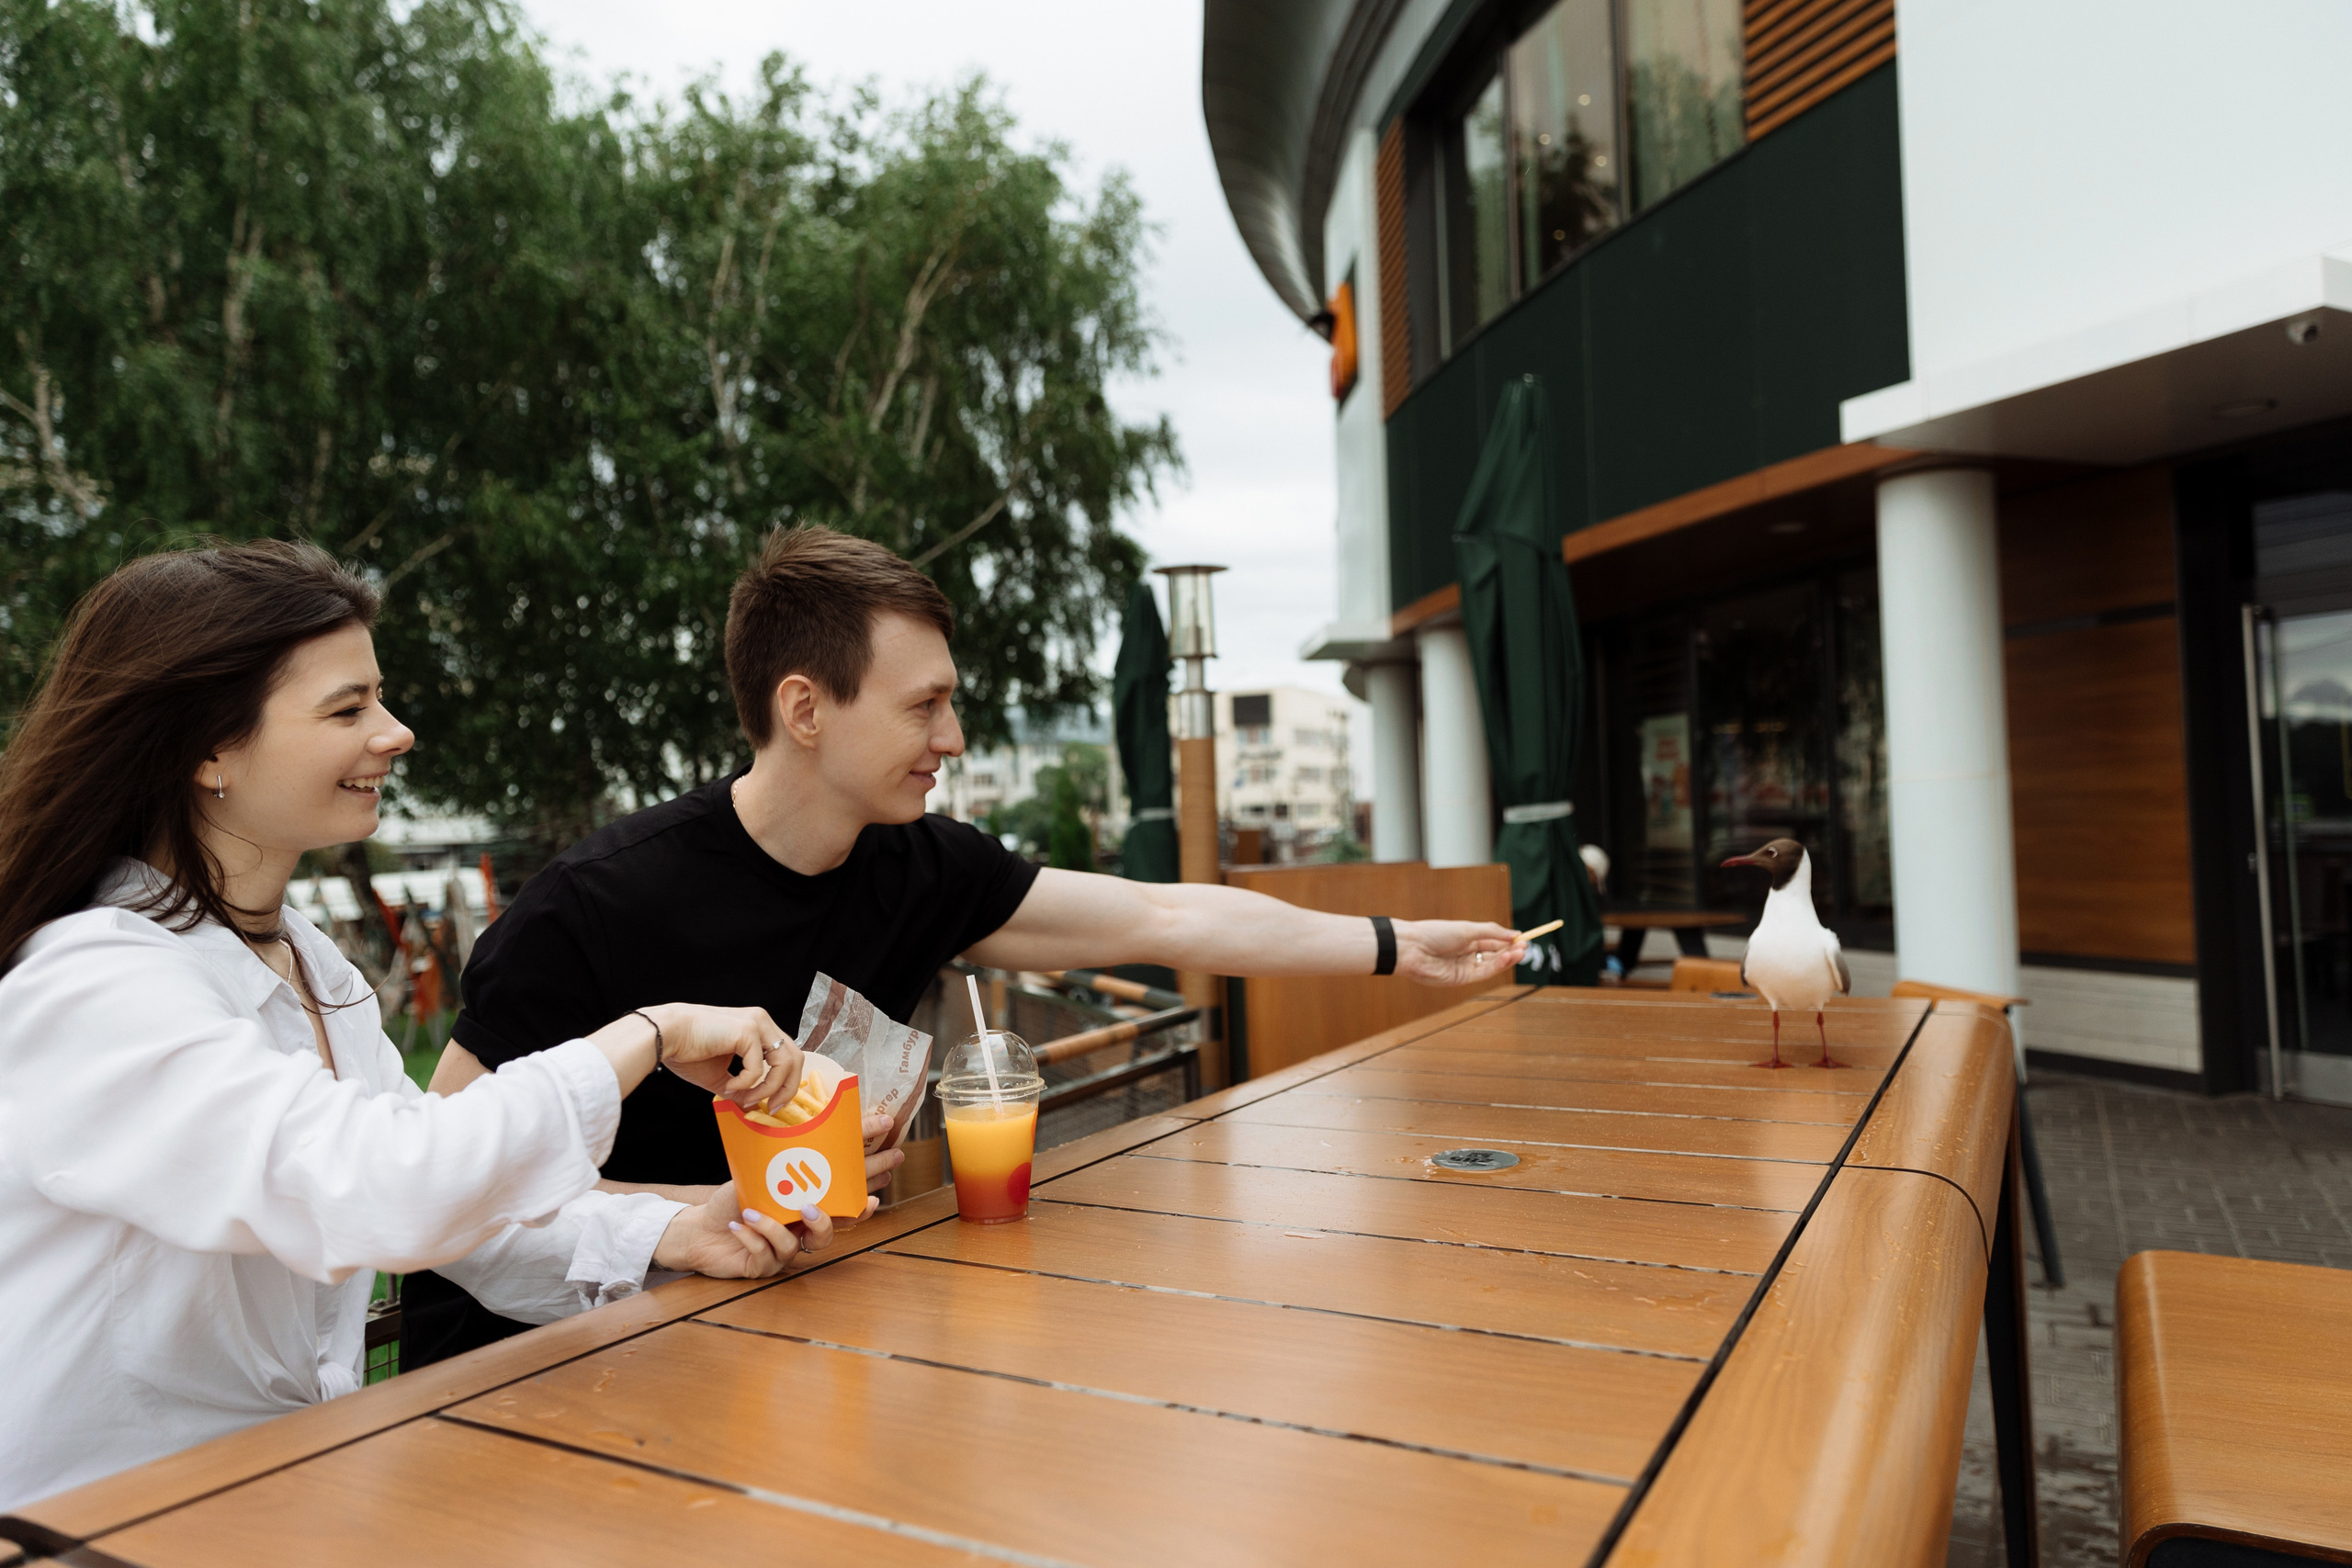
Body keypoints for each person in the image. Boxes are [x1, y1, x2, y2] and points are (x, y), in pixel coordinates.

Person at [419, 526, 1523, 1354]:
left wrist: (1391, 944)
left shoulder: (922, 866)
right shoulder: (594, 905)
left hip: (788, 1325)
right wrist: (686, 1219)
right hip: (543, 1363)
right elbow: (437, 1188)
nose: (951, 737)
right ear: (805, 710)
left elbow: (1164, 915)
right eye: (924, 707)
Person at [0, 541, 853, 1512]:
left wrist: (673, 1234)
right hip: (98, 1524)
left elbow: (463, 1221)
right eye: (346, 708)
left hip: (273, 1496)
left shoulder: (309, 964)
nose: (396, 734)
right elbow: (385, 1185)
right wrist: (647, 1035)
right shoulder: (93, 981)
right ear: (209, 750)